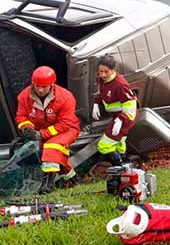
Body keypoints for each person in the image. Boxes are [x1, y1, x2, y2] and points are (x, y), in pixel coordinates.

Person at [15, 66, 80, 194]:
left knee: (52, 147)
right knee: (53, 155)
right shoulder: (24, 96)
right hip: (42, 131)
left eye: (44, 87)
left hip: (67, 129)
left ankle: (46, 186)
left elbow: (65, 123)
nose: (39, 89)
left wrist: (42, 134)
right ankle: (73, 178)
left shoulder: (65, 97)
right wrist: (26, 127)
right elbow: (21, 116)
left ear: (52, 84)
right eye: (37, 85)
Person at [92, 54, 138, 166]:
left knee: (104, 146)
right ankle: (125, 163)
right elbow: (102, 93)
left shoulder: (121, 85)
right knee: (119, 142)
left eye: (106, 72)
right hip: (117, 116)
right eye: (100, 71)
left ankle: (119, 167)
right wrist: (96, 103)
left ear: (113, 70)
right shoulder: (102, 79)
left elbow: (130, 107)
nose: (102, 74)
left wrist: (121, 120)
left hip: (126, 118)